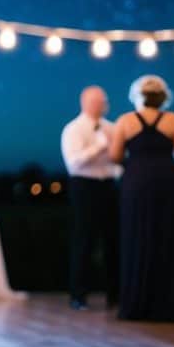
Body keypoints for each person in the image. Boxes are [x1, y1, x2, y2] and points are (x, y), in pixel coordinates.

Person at [108, 75, 174, 322]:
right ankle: (170, 303)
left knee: (136, 237)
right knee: (169, 236)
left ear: (137, 96)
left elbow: (114, 156)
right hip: (168, 181)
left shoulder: (125, 121)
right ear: (162, 97)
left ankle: (137, 302)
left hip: (136, 181)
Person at [60, 86, 122, 311]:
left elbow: (119, 159)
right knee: (83, 241)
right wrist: (98, 147)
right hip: (83, 187)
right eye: (96, 101)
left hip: (108, 187)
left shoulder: (113, 128)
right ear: (84, 102)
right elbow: (74, 162)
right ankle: (78, 295)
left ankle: (115, 295)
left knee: (113, 242)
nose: (101, 105)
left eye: (103, 101)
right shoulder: (73, 129)